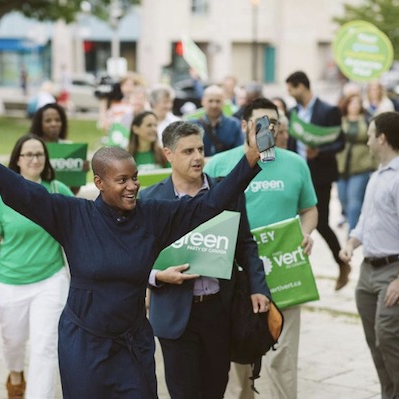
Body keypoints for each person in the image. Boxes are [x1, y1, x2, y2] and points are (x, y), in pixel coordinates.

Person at [0, 113, 264, 398]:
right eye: (122, 180)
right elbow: (22, 192)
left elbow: (209, 204)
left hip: (133, 345)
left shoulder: (154, 217)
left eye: (134, 178)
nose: (132, 186)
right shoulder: (74, 217)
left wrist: (249, 159)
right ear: (99, 182)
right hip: (83, 345)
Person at [139, 121, 270, 399]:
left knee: (214, 390)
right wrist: (157, 277)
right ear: (168, 154)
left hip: (218, 310)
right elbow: (136, 258)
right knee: (183, 393)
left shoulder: (226, 192)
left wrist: (259, 287)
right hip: (174, 314)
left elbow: (245, 243)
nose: (198, 157)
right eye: (187, 151)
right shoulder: (150, 200)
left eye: (200, 149)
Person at [205, 97, 318, 399]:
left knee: (282, 358)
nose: (268, 130)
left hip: (285, 273)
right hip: (237, 279)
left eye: (274, 124)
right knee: (238, 361)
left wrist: (306, 233)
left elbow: (309, 209)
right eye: (260, 124)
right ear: (243, 125)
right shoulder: (219, 164)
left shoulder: (295, 164)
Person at [0, 134, 71, 399]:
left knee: (45, 348)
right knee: (13, 342)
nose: (35, 159)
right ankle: (15, 373)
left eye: (39, 154)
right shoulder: (2, 196)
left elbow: (75, 233)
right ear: (17, 159)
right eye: (29, 154)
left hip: (50, 281)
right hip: (9, 282)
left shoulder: (57, 190)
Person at [339, 111, 399, 399]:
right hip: (368, 270)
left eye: (370, 134)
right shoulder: (377, 176)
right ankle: (389, 394)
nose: (367, 139)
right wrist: (351, 243)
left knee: (388, 335)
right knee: (375, 339)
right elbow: (366, 220)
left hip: (394, 270)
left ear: (382, 138)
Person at [285, 71, 349, 291]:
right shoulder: (293, 112)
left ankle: (341, 262)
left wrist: (319, 152)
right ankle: (293, 271)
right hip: (297, 176)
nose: (290, 94)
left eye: (291, 89)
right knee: (293, 224)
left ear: (301, 86)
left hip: (320, 176)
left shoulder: (328, 111)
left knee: (319, 222)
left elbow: (340, 143)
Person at [336, 94, 376, 232]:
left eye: (357, 103)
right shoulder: (340, 120)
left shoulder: (366, 120)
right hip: (342, 165)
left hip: (361, 165)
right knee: (343, 198)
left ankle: (352, 231)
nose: (354, 106)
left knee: (354, 200)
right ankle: (353, 221)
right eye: (352, 103)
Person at [29, 103, 90, 195]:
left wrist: (79, 174)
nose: (54, 124)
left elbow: (72, 193)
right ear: (39, 124)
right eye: (48, 121)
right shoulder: (31, 148)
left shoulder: (70, 148)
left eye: (57, 120)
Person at [193, 85, 243, 157]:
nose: (214, 105)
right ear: (203, 101)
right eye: (210, 101)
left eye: (218, 101)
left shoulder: (234, 125)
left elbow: (239, 152)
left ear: (223, 102)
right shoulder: (193, 125)